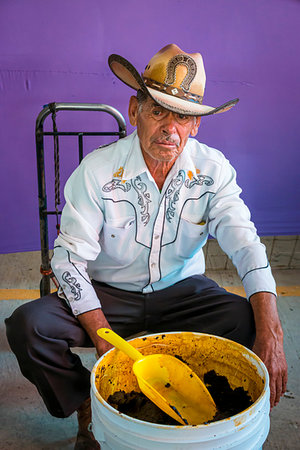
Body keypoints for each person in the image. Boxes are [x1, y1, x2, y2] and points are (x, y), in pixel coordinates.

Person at [6, 44, 287, 450]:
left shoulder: (213, 170)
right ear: (135, 110)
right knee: (27, 326)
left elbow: (245, 242)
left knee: (246, 321)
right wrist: (102, 334)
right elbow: (68, 259)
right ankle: (85, 402)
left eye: (183, 117)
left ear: (196, 126)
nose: (169, 128)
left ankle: (187, 402)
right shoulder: (98, 170)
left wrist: (272, 332)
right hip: (108, 294)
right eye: (158, 111)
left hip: (182, 293)